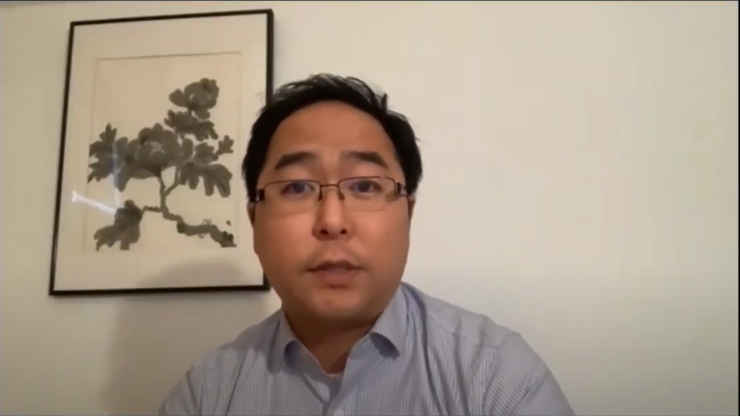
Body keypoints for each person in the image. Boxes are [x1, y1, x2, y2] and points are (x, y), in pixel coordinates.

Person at [159, 74, 574, 415]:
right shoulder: (207, 394)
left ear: (408, 213)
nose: (332, 221)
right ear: (255, 222)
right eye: (297, 187)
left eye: (364, 186)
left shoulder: (496, 375)